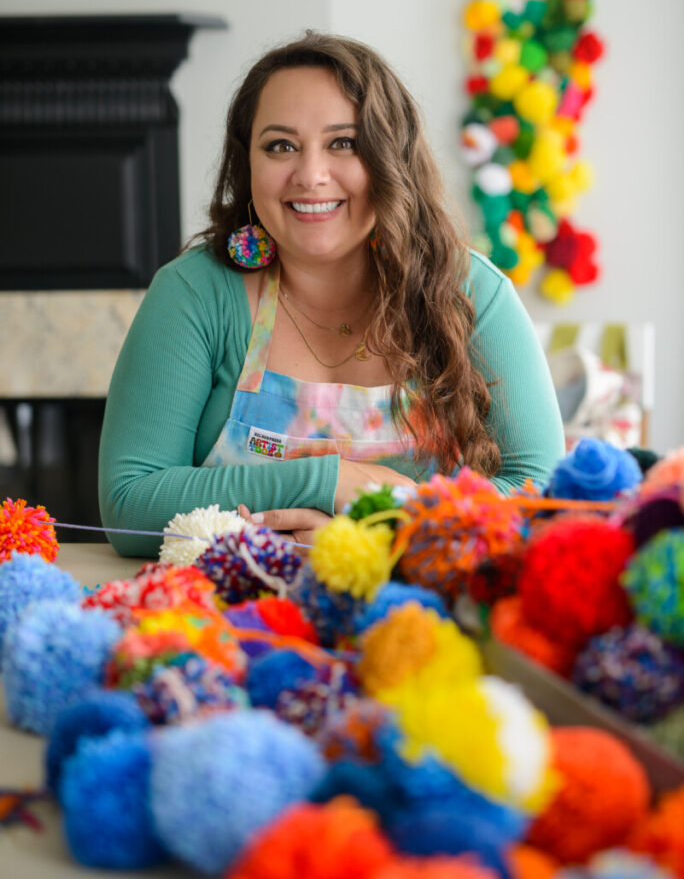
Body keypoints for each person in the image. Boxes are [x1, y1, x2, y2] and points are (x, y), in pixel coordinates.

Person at [99, 32, 564, 557]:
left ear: (391, 157)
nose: (311, 175)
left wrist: (391, 525)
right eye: (280, 146)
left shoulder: (471, 290)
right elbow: (128, 502)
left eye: (343, 143)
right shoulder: (194, 294)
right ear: (247, 161)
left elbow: (542, 492)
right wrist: (328, 482)